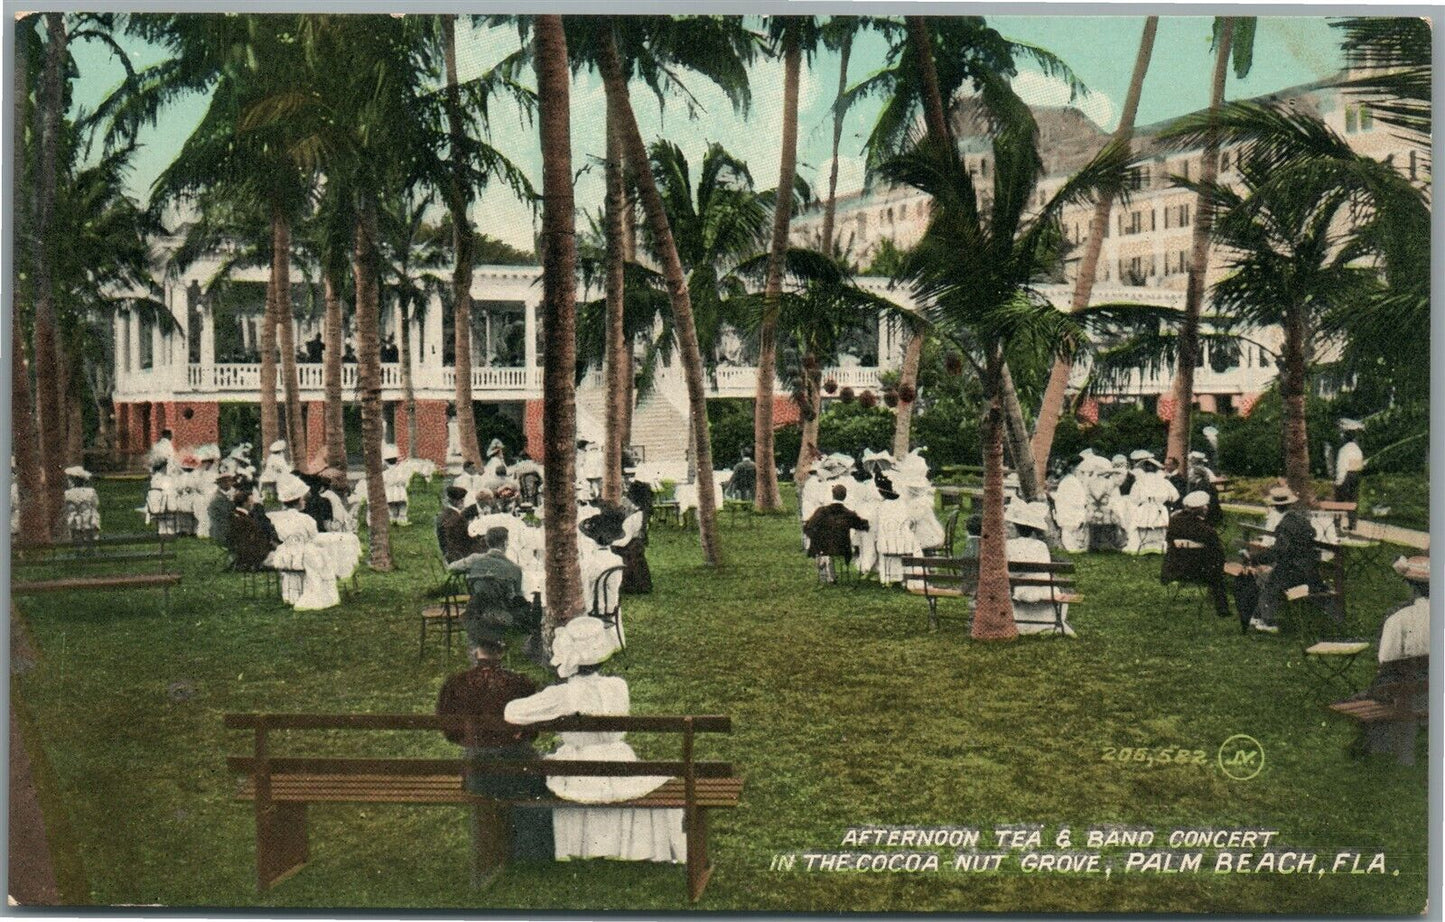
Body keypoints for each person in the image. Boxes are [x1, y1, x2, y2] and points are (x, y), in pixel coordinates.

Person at [503, 617, 685, 863]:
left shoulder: (562, 695)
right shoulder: (618, 686)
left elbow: (512, 712)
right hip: (620, 766)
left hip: (578, 773)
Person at [436, 636, 554, 871]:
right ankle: (530, 854)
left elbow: (450, 731)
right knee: (535, 774)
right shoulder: (521, 683)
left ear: (474, 650)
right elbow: (532, 733)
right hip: (520, 771)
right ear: (503, 650)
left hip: (478, 773)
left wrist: (474, 740)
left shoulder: (455, 683)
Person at [1234, 484, 1322, 634]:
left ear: (1275, 506)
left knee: (1268, 580)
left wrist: (1253, 559)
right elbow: (1311, 535)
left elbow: (1277, 552)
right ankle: (1258, 614)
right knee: (1268, 576)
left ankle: (1267, 621)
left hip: (1295, 570)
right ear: (1290, 504)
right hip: (1310, 568)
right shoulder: (1301, 520)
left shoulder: (1284, 525)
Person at [450, 527, 540, 649]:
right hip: (503, 616)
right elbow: (517, 597)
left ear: (487, 542)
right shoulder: (514, 568)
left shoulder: (474, 559)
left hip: (476, 612)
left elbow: (452, 568)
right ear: (506, 543)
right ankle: (529, 644)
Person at [1005, 501, 1076, 637]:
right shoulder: (1041, 546)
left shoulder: (1009, 545)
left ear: (1016, 527)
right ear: (1033, 529)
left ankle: (1022, 623)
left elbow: (1011, 572)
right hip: (1043, 590)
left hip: (1021, 591)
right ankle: (1048, 622)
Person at [1160, 491, 1231, 618]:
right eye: (1206, 506)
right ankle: (1223, 610)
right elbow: (1218, 553)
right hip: (1196, 572)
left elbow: (1169, 540)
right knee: (1217, 571)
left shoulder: (1175, 522)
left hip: (1174, 568)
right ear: (1202, 509)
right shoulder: (1205, 530)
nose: (1207, 508)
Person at [804, 484, 870, 584]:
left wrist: (816, 538)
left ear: (832, 495)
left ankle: (825, 566)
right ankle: (829, 569)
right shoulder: (849, 514)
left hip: (823, 547)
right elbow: (862, 525)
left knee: (822, 543)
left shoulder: (821, 511)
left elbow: (808, 527)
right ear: (845, 496)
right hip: (842, 548)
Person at [229, 480, 279, 571]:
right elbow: (251, 542)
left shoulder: (237, 515)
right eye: (251, 502)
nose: (253, 504)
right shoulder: (242, 519)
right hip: (256, 556)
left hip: (253, 553)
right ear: (245, 503)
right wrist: (271, 547)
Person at [438, 485, 485, 563]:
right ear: (458, 501)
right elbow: (464, 539)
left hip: (448, 554)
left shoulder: (444, 513)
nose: (463, 503)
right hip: (459, 556)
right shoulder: (456, 518)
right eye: (462, 500)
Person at [1334, 419, 1365, 525]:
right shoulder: (1358, 450)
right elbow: (1358, 466)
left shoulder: (1344, 450)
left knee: (1339, 499)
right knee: (1353, 499)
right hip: (1356, 476)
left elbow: (1341, 468)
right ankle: (1352, 523)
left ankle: (1337, 522)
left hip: (1346, 477)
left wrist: (1338, 482)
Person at [61, 466, 102, 542]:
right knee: (91, 541)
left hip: (74, 521)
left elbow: (66, 507)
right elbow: (95, 504)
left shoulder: (67, 493)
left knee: (76, 540)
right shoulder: (90, 492)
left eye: (70, 479)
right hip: (88, 520)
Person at [208, 468, 238, 551]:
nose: (229, 483)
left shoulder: (226, 495)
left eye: (230, 481)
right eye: (225, 481)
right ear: (220, 484)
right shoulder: (218, 498)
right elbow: (229, 513)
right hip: (221, 531)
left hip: (224, 527)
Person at [381, 444, 410, 524]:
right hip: (400, 491)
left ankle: (393, 520)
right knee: (402, 508)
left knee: (392, 508)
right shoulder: (401, 471)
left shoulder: (385, 473)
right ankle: (402, 520)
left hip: (390, 493)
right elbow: (405, 480)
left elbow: (385, 482)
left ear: (386, 462)